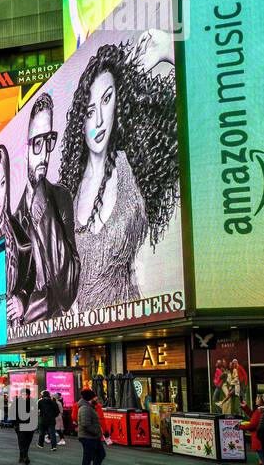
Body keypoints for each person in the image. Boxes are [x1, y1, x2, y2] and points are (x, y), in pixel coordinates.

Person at [59, 41, 180, 312]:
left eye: (107, 99)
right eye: (90, 111)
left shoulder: (136, 165)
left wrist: (164, 47)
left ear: (119, 100)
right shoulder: (70, 191)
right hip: (82, 335)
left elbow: (197, 101)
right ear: (81, 121)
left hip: (135, 321)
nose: (100, 120)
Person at [7, 91, 80, 325]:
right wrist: (20, 299)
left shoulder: (59, 198)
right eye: (37, 143)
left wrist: (43, 207)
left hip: (60, 329)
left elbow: (67, 291)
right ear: (24, 149)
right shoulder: (14, 219)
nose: (45, 154)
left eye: (48, 141)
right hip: (27, 334)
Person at [77, 388, 107, 465]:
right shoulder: (85, 408)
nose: (96, 399)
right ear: (90, 398)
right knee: (88, 456)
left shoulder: (89, 407)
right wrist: (96, 432)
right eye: (95, 397)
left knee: (100, 454)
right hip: (88, 437)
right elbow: (86, 424)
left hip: (93, 437)